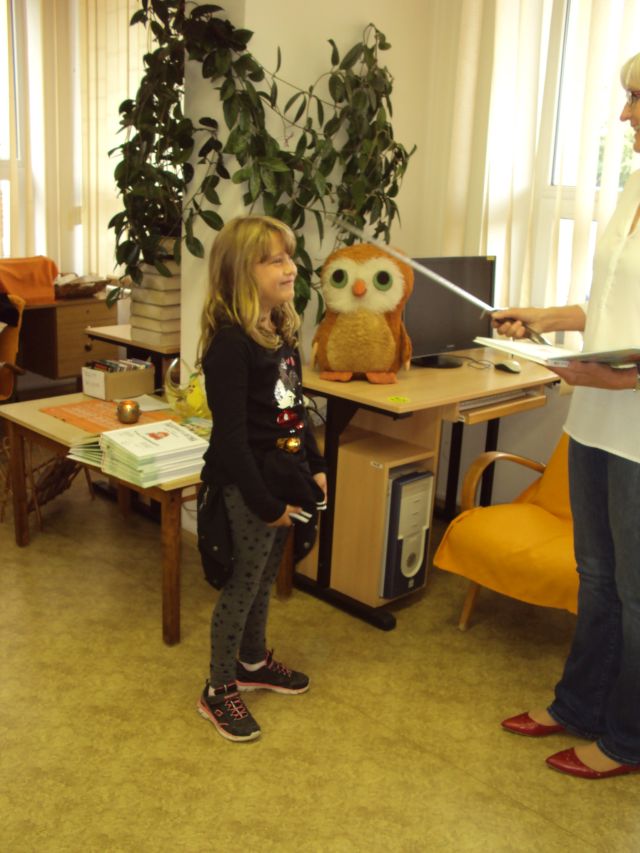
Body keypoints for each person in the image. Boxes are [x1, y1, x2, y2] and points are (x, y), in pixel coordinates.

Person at [493, 52, 640, 779]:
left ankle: (628, 740)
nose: (626, 114)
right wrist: (542, 317)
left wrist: (617, 378)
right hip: (594, 421)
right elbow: (606, 302)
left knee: (637, 595)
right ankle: (578, 705)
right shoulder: (634, 185)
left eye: (637, 98)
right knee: (597, 576)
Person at [195, 215, 327, 743]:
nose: (290, 267)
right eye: (275, 259)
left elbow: (295, 408)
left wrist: (316, 465)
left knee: (265, 575)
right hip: (245, 485)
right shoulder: (230, 345)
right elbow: (231, 440)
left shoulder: (281, 330)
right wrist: (264, 504)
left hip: (281, 476)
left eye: (288, 256)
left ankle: (251, 662)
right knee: (243, 584)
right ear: (241, 273)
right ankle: (218, 687)